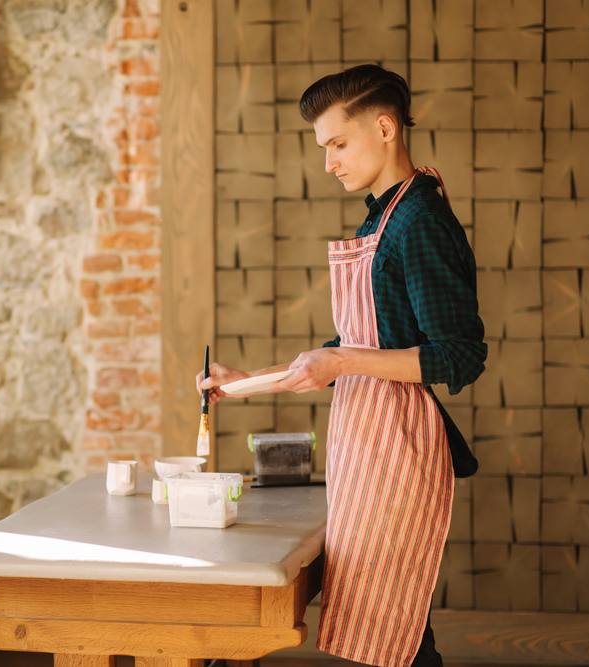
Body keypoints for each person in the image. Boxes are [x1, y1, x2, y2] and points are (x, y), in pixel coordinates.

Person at [196, 64, 486, 667]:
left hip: (400, 442)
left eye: (337, 143)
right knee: (390, 618)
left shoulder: (420, 221)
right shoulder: (381, 215)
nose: (329, 162)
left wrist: (342, 358)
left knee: (395, 623)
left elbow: (459, 354)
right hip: (366, 434)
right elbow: (347, 345)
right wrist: (242, 384)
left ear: (384, 127)